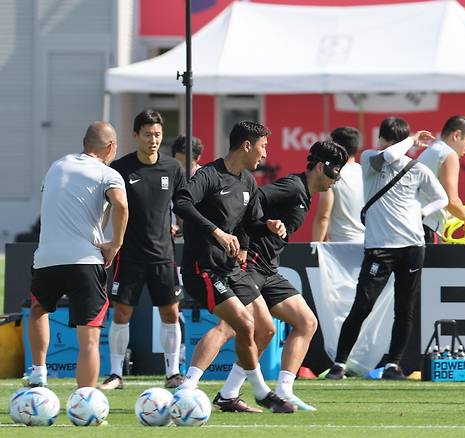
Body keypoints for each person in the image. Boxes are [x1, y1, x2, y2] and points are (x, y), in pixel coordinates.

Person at [201, 140, 348, 412]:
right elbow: (247, 202)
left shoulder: (304, 194)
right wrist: (242, 243)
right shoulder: (291, 187)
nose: (335, 180)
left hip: (268, 269)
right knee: (231, 327)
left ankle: (280, 391)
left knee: (305, 322)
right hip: (250, 265)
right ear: (319, 167)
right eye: (333, 173)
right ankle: (188, 384)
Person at [173, 121, 295, 413]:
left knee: (266, 329)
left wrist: (268, 224)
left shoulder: (248, 182)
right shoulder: (210, 175)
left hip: (230, 269)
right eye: (263, 147)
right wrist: (217, 232)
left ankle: (228, 395)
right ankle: (254, 391)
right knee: (242, 324)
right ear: (246, 146)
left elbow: (250, 223)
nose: (265, 155)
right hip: (203, 268)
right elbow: (181, 202)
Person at [326, 117, 448, 380]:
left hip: (413, 246)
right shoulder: (371, 159)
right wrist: (413, 140)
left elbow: (442, 198)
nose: (386, 145)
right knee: (363, 305)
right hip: (379, 248)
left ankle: (393, 364)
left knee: (405, 309)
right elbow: (390, 154)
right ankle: (340, 364)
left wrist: (422, 212)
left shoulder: (417, 169)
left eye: (390, 140)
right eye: (387, 140)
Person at [25, 122, 128, 388]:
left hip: (46, 259)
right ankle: (85, 399)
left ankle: (38, 373)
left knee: (39, 309)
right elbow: (121, 205)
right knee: (89, 336)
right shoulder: (108, 174)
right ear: (110, 147)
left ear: (85, 143)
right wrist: (115, 245)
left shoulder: (57, 166)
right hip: (85, 260)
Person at [99, 111, 186, 390]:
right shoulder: (120, 168)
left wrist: (180, 226)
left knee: (170, 313)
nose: (153, 140)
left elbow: (183, 204)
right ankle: (115, 374)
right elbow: (107, 207)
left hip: (163, 255)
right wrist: (102, 238)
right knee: (122, 312)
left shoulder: (173, 168)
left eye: (158, 134)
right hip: (130, 255)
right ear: (135, 135)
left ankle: (173, 373)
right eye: (147, 134)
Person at [417, 115, 465, 244]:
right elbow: (452, 202)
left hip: (412, 226)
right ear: (456, 135)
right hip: (427, 228)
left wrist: (463, 216)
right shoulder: (449, 154)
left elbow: (440, 202)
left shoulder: (429, 151)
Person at [312, 126, 365, 242]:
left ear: (337, 148)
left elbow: (323, 217)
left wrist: (316, 248)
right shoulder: (365, 173)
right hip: (365, 245)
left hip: (339, 247)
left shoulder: (331, 174)